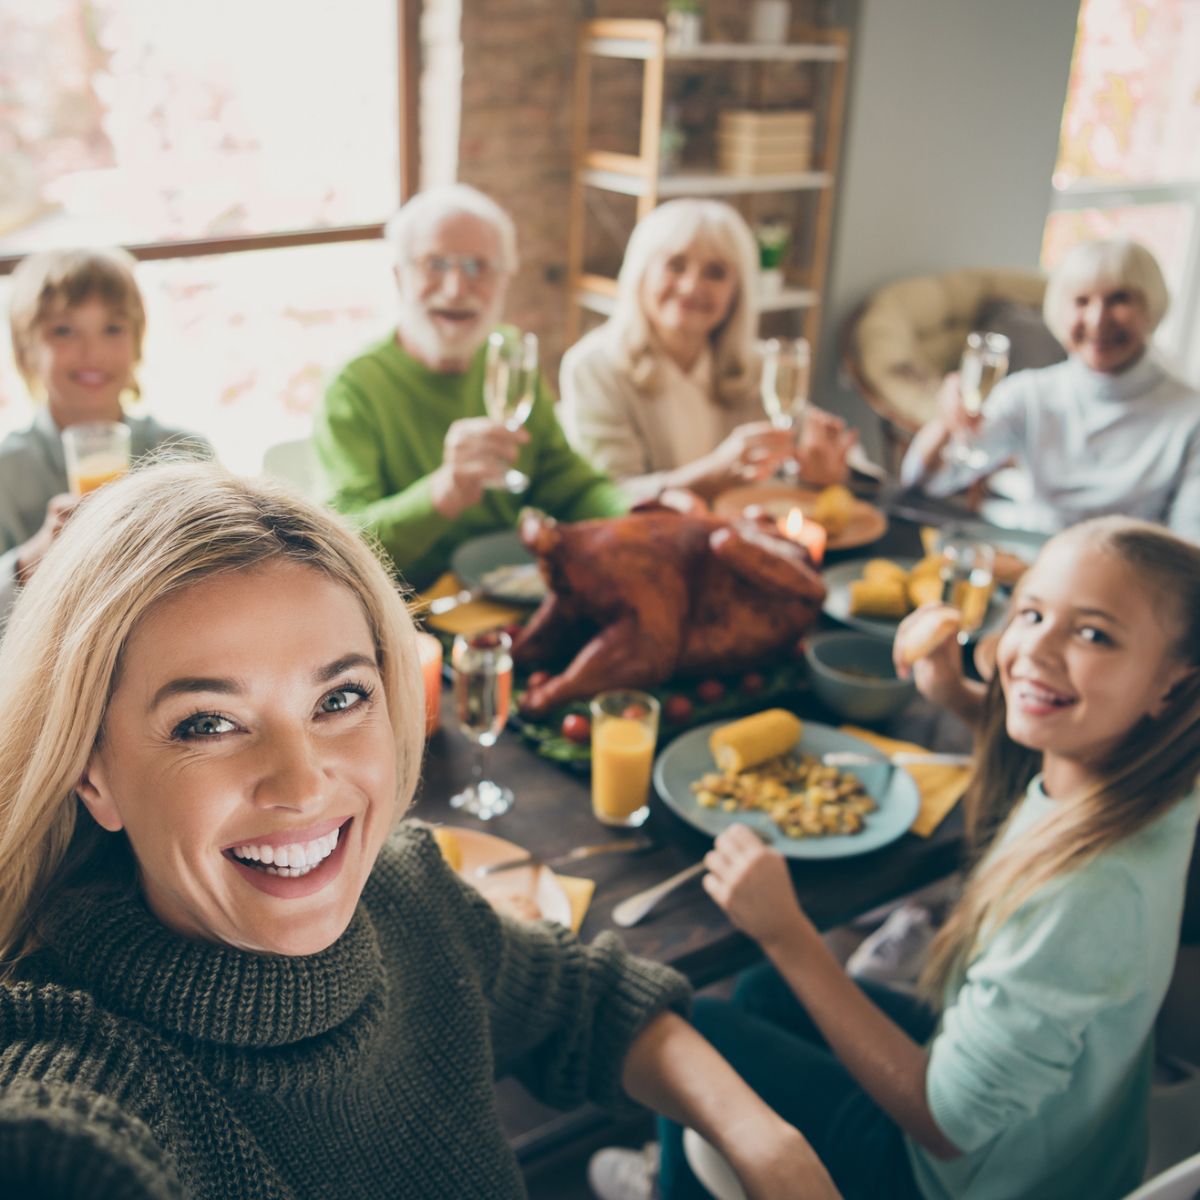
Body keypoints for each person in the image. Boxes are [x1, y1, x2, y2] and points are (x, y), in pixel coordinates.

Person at [0, 461, 841, 1200]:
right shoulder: (78, 1057)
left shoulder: (404, 891)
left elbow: (582, 1001)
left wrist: (764, 1137)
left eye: (339, 699)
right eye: (207, 723)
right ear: (90, 773)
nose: (301, 786)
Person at [591, 514, 1200, 1200]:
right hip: (1063, 1143)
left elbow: (944, 1124)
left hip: (966, 1178)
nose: (1036, 649)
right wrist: (962, 698)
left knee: (695, 1034)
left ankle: (677, 1178)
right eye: (1031, 613)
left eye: (1094, 634)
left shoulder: (1091, 896)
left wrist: (787, 931)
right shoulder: (1163, 780)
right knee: (764, 989)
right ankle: (690, 1166)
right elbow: (1063, 752)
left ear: (1173, 686)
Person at [315, 184, 628, 590]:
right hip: (407, 615)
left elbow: (565, 483)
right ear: (399, 277)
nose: (456, 289)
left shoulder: (510, 358)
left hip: (508, 592)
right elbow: (342, 547)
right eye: (435, 264)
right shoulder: (353, 387)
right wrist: (442, 492)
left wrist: (636, 515)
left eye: (479, 267)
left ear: (505, 282)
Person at [560, 199, 859, 504]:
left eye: (715, 273)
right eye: (675, 265)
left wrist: (829, 471)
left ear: (736, 292)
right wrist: (713, 473)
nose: (691, 286)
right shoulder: (594, 367)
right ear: (641, 273)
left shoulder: (757, 365)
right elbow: (609, 494)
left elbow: (836, 457)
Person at [899, 238, 1200, 541]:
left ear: (1152, 306)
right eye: (1082, 301)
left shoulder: (1190, 416)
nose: (1097, 320)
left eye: (1119, 299)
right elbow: (924, 481)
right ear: (1060, 311)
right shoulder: (1030, 394)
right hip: (1031, 562)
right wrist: (946, 423)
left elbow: (1190, 544)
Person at [0, 246, 211, 626]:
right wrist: (30, 561)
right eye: (63, 330)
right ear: (26, 349)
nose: (92, 351)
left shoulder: (186, 454)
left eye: (113, 329)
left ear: (137, 343)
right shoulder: (7, 470)